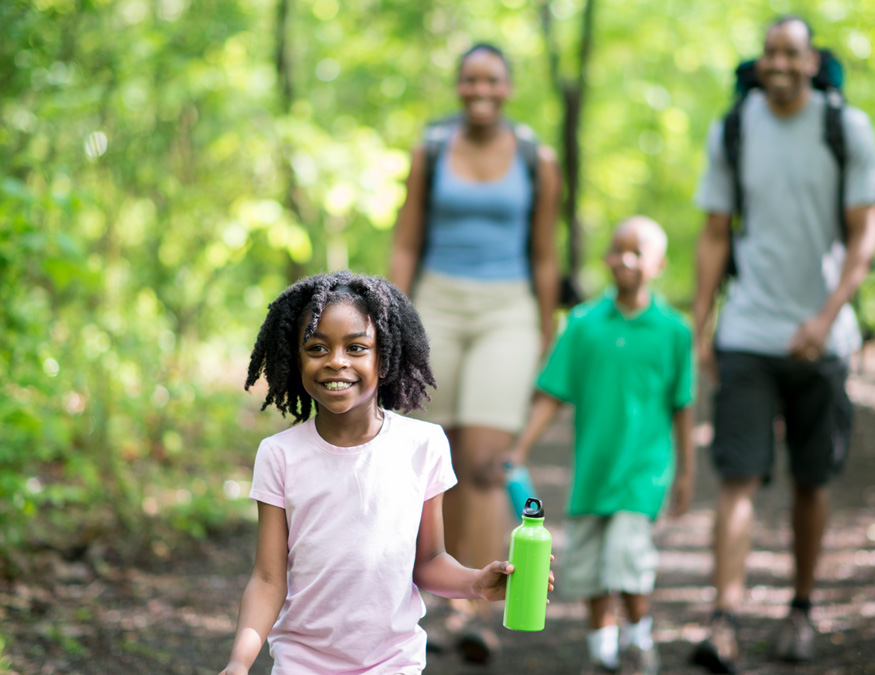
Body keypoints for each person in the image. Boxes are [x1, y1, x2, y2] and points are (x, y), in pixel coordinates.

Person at [218, 271, 551, 675]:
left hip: (393, 663)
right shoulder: (279, 455)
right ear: (296, 357)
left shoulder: (423, 446)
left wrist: (476, 582)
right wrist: (239, 662)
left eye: (356, 347)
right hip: (301, 664)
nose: (336, 361)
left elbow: (427, 560)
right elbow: (269, 579)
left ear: (385, 358)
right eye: (317, 347)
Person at [689, 16, 875, 674]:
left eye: (791, 53)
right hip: (748, 329)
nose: (778, 62)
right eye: (769, 51)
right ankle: (724, 619)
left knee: (812, 479)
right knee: (736, 477)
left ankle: (801, 609)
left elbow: (864, 235)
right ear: (762, 60)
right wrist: (702, 324)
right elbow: (716, 231)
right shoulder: (734, 127)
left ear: (811, 62)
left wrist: (826, 316)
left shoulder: (846, 127)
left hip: (824, 338)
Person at [388, 42, 562, 661]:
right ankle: (435, 598)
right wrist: (392, 318)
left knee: (487, 460)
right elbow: (406, 241)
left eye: (491, 80)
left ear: (508, 87)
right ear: (458, 86)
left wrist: (547, 333)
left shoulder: (537, 159)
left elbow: (545, 255)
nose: (479, 90)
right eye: (469, 80)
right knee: (435, 458)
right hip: (435, 304)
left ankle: (479, 609)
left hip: (508, 309)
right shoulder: (431, 150)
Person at [506, 216, 696, 675]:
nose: (625, 261)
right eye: (618, 250)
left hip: (642, 472)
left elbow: (683, 406)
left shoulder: (674, 330)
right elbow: (553, 392)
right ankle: (602, 656)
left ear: (659, 264)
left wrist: (686, 471)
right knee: (589, 569)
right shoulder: (584, 323)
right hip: (593, 472)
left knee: (625, 561)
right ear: (607, 257)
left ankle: (639, 641)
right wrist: (521, 449)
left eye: (638, 253)